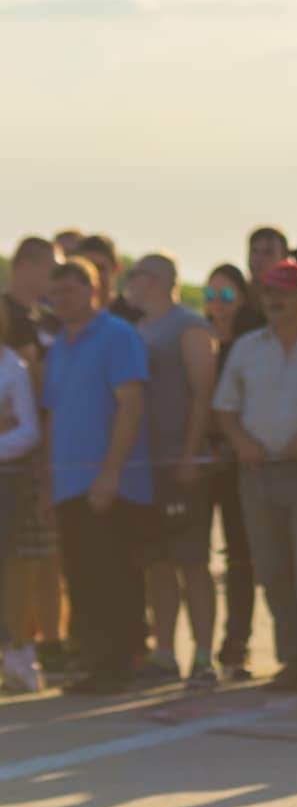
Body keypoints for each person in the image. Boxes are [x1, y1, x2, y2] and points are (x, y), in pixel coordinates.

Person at [213, 258, 297, 695]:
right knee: (271, 569)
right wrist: (238, 440)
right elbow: (224, 408)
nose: (272, 300)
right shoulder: (247, 348)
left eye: (283, 291)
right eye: (267, 291)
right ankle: (293, 661)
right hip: (256, 473)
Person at [41, 258, 152, 694]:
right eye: (57, 292)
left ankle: (118, 666)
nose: (62, 299)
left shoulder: (117, 337)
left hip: (110, 485)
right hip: (67, 484)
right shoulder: (59, 346)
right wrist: (49, 480)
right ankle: (94, 663)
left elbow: (131, 403)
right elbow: (53, 415)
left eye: (71, 289)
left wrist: (110, 473)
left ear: (93, 290)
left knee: (113, 577)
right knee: (81, 577)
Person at [124, 254, 219, 685]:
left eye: (135, 276)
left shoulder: (189, 326)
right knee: (157, 563)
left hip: (183, 465)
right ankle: (165, 654)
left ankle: (203, 657)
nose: (129, 284)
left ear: (157, 280)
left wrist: (189, 452)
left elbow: (203, 392)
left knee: (193, 563)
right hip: (147, 468)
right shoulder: (138, 329)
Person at [2, 237, 64, 680]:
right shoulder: (17, 320)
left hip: (19, 476)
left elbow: (29, 420)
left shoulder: (33, 335)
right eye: (50, 270)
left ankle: (25, 647)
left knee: (26, 562)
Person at [203, 264, 256, 679]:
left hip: (241, 462)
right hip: (202, 464)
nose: (216, 305)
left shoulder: (250, 343)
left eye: (225, 296)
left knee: (241, 556)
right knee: (197, 557)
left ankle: (237, 639)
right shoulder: (197, 340)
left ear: (241, 298)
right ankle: (204, 644)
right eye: (210, 296)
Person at [0, 301, 43, 691]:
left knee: (11, 571)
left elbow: (28, 431)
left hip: (6, 485)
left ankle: (17, 657)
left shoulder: (13, 367)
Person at [235, 226, 289, 335]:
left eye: (268, 253)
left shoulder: (293, 303)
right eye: (254, 251)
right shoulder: (236, 297)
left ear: (283, 259)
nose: (258, 259)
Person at [77, 234, 142, 323]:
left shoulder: (134, 317)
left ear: (117, 269)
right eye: (87, 270)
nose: (94, 277)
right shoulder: (67, 318)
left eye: (100, 268)